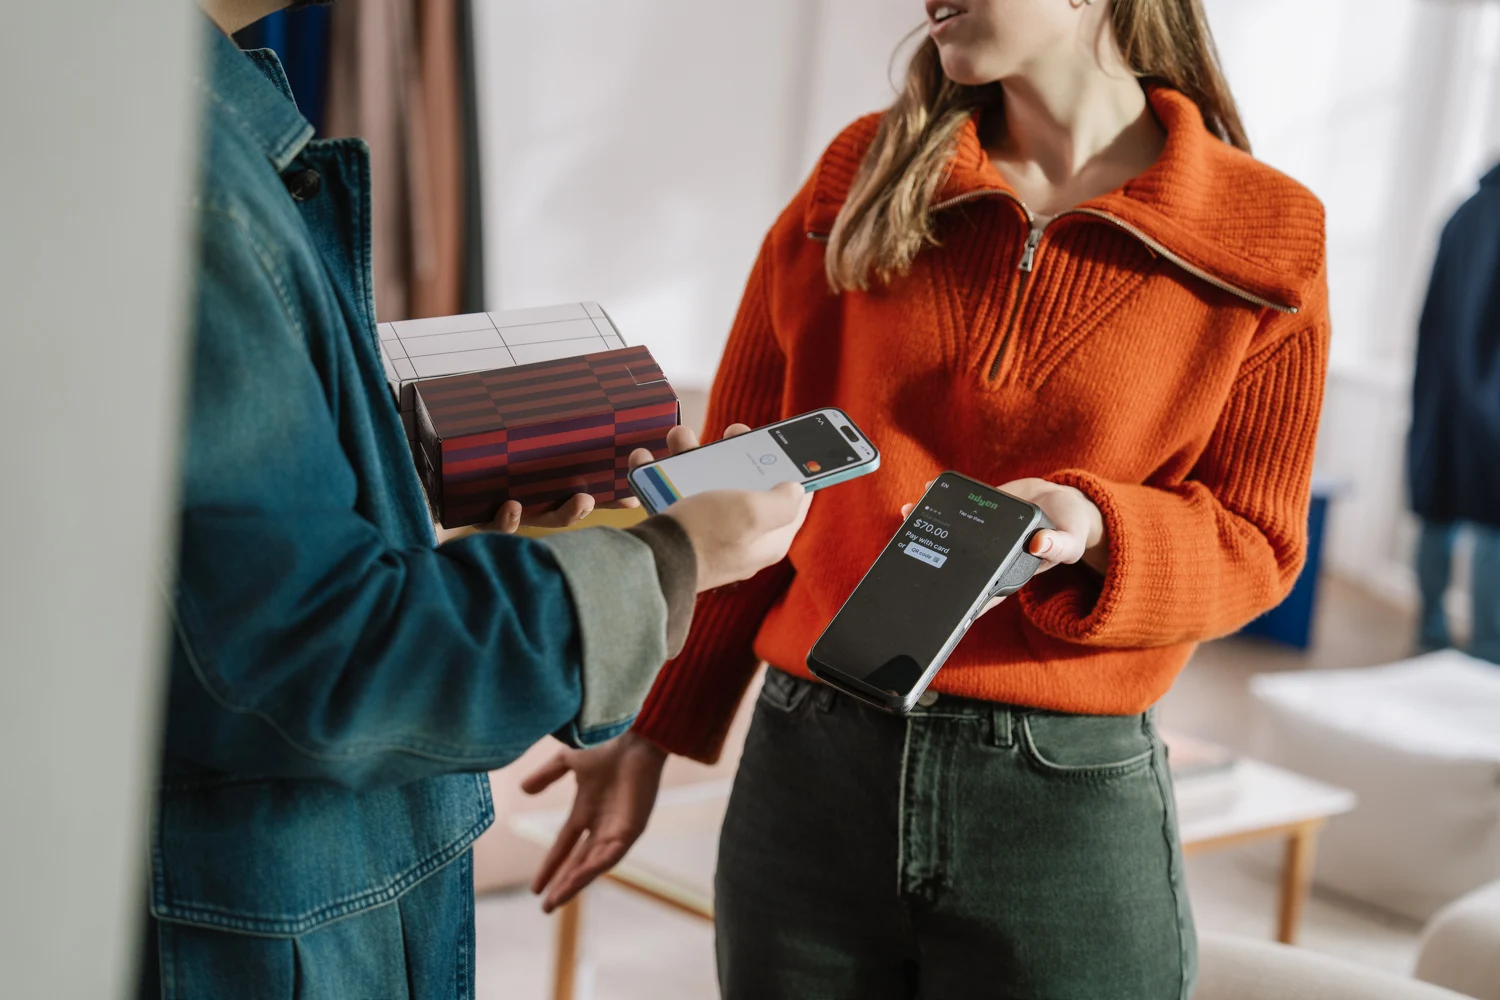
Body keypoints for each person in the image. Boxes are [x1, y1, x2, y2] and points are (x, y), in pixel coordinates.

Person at [529, 0, 1330, 996]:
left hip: (1063, 804)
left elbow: (1257, 540)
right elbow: (744, 485)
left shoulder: (1266, 230)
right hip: (808, 780)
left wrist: (1094, 528)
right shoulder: (859, 173)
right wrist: (650, 722)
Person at [142, 3, 812, 998]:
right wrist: (669, 557)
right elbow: (311, 656)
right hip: (267, 923)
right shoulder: (200, 180)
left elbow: (188, 545)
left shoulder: (175, 129)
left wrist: (388, 488)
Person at [1407, 162, 1500, 664]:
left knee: (1438, 512)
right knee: (1493, 522)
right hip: (1487, 401)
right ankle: (1489, 650)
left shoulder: (1462, 213)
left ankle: (1431, 630)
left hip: (1442, 394)